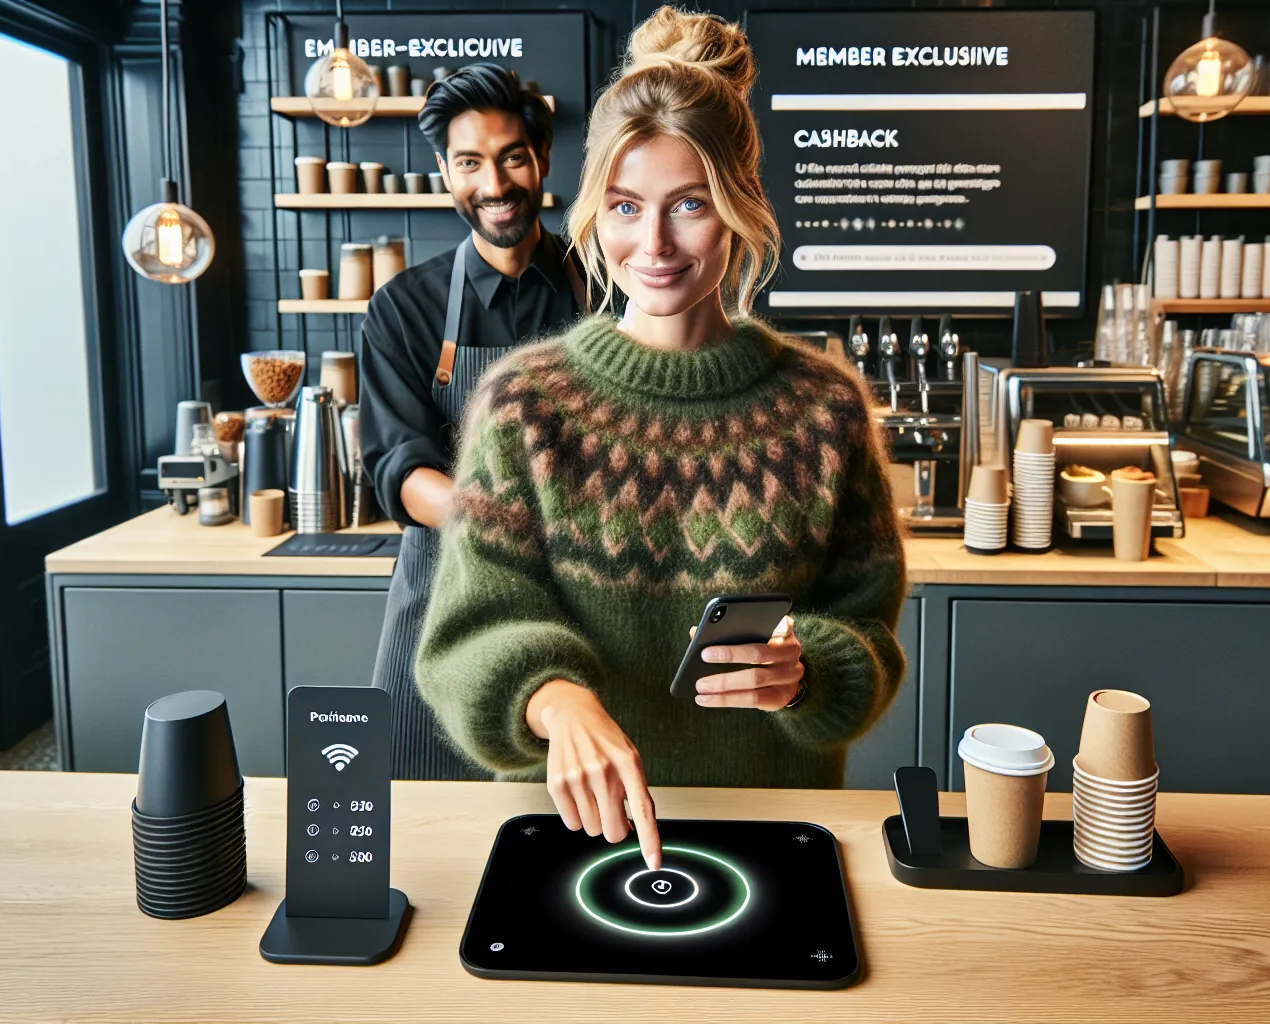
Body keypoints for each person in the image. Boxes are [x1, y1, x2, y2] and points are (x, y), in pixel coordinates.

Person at [416, 7, 907, 868]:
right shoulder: (526, 405)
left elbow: (867, 635)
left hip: (766, 829)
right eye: (624, 206)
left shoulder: (824, 410)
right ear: (593, 212)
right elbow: (468, 632)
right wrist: (556, 700)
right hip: (565, 832)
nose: (653, 244)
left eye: (690, 205)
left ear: (741, 205)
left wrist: (810, 668)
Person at [359, 63, 584, 780]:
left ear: (541, 158)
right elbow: (398, 466)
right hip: (443, 595)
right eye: (469, 163)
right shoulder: (404, 309)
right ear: (444, 172)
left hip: (581, 596)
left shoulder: (608, 291)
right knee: (417, 806)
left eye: (512, 157)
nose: (493, 184)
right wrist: (497, 520)